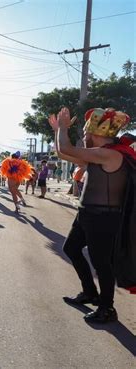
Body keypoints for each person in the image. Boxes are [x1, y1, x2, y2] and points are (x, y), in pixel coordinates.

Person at [50, 107, 131, 323]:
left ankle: (107, 308)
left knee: (101, 262)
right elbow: (62, 152)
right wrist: (58, 130)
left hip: (104, 217)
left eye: (86, 133)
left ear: (96, 133)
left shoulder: (108, 154)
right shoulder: (96, 155)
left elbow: (66, 146)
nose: (84, 136)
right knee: (71, 248)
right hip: (87, 214)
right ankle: (90, 293)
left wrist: (64, 129)